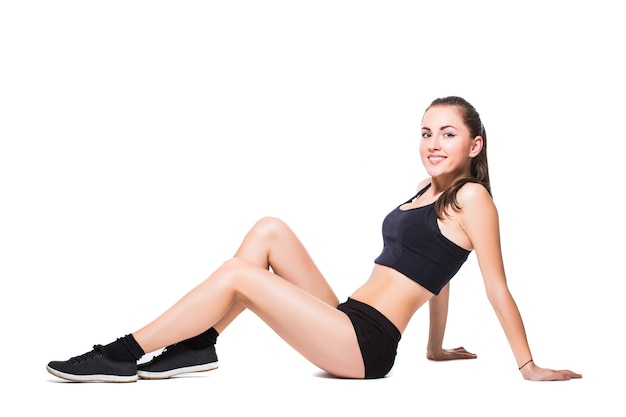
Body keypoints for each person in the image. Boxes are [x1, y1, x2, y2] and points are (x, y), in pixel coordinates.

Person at [46, 96, 582, 382]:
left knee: (238, 276)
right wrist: (435, 346)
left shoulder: (474, 199)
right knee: (269, 229)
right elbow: (440, 271)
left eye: (448, 133)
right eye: (425, 132)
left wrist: (527, 364)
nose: (433, 143)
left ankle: (120, 354)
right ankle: (198, 345)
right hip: (346, 317)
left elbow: (495, 286)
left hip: (365, 346)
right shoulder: (428, 189)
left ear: (475, 143)